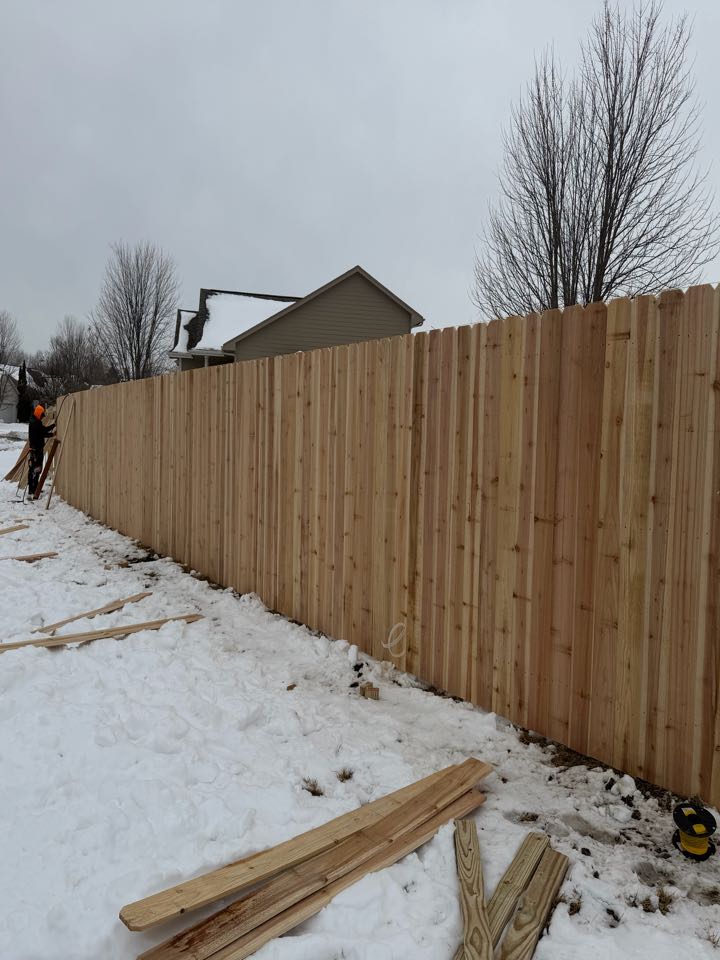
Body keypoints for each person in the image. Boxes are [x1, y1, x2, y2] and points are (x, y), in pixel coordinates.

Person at [27, 404, 55, 498]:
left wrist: (52, 426)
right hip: (36, 450)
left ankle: (33, 488)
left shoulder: (34, 421)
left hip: (34, 449)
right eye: (42, 415)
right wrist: (52, 433)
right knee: (36, 469)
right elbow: (43, 432)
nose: (42, 417)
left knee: (34, 469)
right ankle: (32, 489)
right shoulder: (36, 423)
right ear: (39, 414)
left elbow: (43, 430)